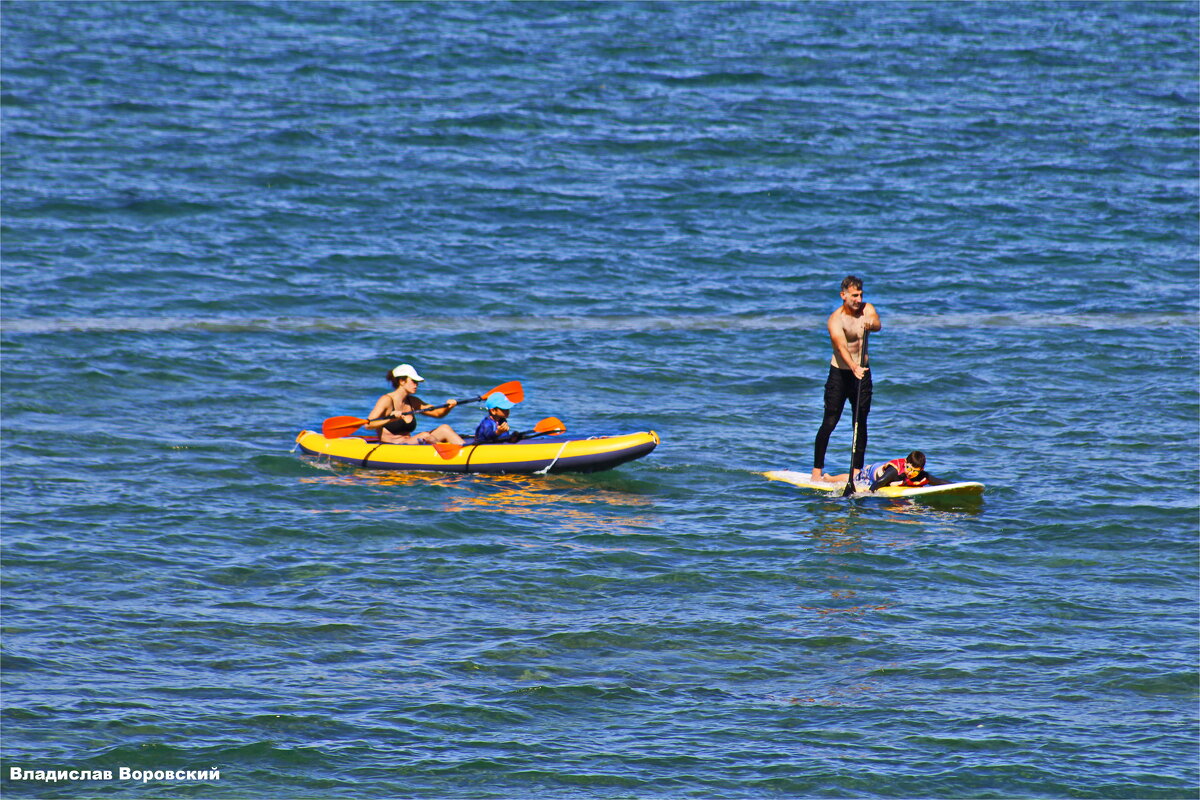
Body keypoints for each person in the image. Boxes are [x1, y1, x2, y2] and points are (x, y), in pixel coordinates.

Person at [811, 275, 881, 484]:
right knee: (830, 422)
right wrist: (853, 368)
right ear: (843, 295)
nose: (858, 299)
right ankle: (816, 472)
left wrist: (873, 323)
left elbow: (878, 324)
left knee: (860, 423)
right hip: (840, 375)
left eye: (860, 295)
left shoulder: (867, 309)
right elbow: (841, 348)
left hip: (863, 374)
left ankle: (857, 472)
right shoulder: (835, 319)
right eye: (854, 295)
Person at [366, 363, 464, 446]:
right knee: (424, 435)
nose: (416, 385)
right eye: (413, 381)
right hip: (392, 446)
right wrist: (390, 419)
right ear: (402, 381)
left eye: (417, 382)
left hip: (409, 443)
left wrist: (449, 406)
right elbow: (368, 425)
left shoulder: (413, 401)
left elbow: (437, 413)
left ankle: (467, 451)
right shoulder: (386, 400)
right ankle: (446, 454)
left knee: (444, 428)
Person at [824, 451, 950, 491]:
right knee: (855, 478)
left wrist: (955, 485)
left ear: (921, 470)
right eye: (909, 469)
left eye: (915, 471)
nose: (911, 473)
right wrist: (865, 495)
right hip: (872, 472)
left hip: (882, 470)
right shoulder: (894, 472)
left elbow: (938, 481)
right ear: (905, 464)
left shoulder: (922, 475)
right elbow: (877, 484)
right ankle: (829, 478)